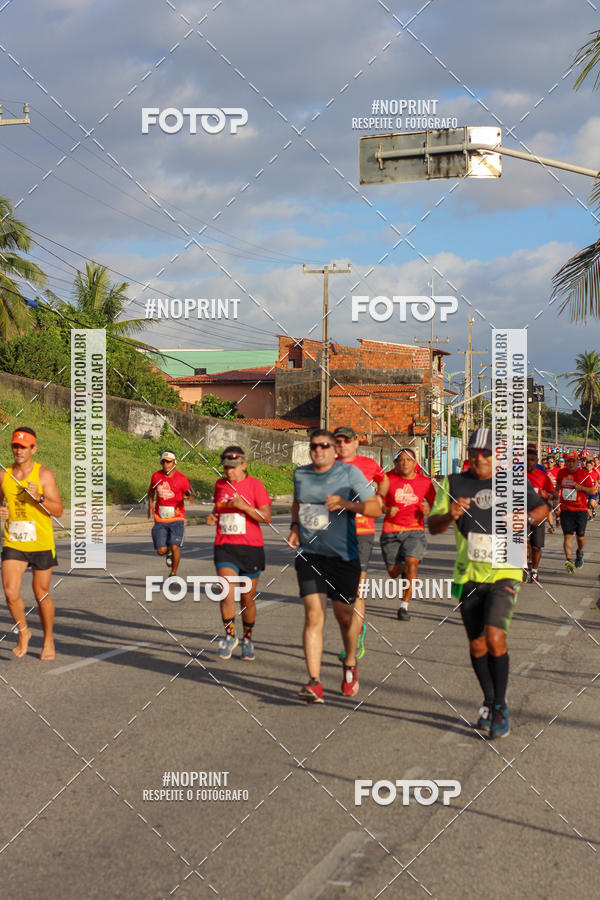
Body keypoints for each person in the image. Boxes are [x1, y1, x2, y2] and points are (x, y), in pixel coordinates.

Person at [428, 428, 548, 739]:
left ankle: (500, 707)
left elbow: (543, 508)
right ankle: (490, 699)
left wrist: (528, 520)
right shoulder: (453, 483)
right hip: (467, 576)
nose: (478, 458)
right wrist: (450, 514)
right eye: (473, 452)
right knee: (477, 644)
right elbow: (433, 524)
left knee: (495, 636)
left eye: (486, 453)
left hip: (505, 572)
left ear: (498, 456)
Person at [288, 430, 381, 702]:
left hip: (343, 556)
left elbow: (375, 509)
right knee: (313, 615)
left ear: (333, 450)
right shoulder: (301, 475)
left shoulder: (349, 474)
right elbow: (297, 502)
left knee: (344, 618)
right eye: (314, 446)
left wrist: (345, 503)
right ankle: (314, 682)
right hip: (310, 555)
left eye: (325, 445)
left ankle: (350, 662)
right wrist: (295, 527)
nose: (319, 450)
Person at [0, 428, 63, 660]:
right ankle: (24, 631)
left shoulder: (44, 475)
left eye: (24, 447)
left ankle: (48, 639)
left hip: (41, 543)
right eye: (15, 446)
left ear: (33, 449)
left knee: (41, 593)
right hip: (14, 541)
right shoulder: (4, 474)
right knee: (9, 591)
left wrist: (40, 498)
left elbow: (58, 511)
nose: (18, 450)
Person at [207, 446, 272, 661]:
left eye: (233, 468)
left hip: (251, 548)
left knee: (247, 598)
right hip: (225, 546)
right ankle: (229, 636)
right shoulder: (220, 485)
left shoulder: (255, 485)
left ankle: (248, 638)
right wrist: (214, 516)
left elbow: (266, 517)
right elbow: (218, 508)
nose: (229, 472)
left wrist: (244, 507)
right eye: (226, 468)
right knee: (226, 592)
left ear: (244, 464)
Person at [333, 426, 387, 660]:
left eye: (347, 441)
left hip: (362, 532)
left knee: (357, 590)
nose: (342, 445)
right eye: (338, 441)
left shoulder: (368, 464)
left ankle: (354, 643)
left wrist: (380, 497)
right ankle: (357, 630)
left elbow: (383, 480)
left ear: (356, 442)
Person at [380, 448, 435, 621]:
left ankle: (404, 606)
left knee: (412, 563)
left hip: (414, 530)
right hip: (391, 530)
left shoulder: (425, 482)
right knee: (393, 572)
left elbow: (437, 505)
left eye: (409, 459)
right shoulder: (387, 479)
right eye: (401, 460)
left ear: (415, 463)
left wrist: (429, 509)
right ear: (395, 463)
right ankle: (402, 567)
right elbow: (376, 503)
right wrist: (387, 509)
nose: (405, 463)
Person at [148, 451, 193, 575]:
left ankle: (173, 573)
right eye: (163, 461)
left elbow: (189, 492)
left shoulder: (182, 479)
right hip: (160, 519)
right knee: (161, 550)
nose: (165, 464)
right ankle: (167, 551)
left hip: (176, 519)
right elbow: (151, 491)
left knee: (175, 547)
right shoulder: (156, 476)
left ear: (174, 463)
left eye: (168, 461)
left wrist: (190, 496)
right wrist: (150, 504)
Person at [556, 451, 595, 573]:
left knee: (581, 536)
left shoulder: (583, 474)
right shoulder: (561, 473)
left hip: (581, 510)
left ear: (577, 462)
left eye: (573, 461)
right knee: (567, 535)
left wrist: (581, 488)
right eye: (568, 461)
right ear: (565, 462)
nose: (571, 463)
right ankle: (568, 560)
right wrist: (555, 502)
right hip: (566, 510)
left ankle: (580, 552)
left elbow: (593, 490)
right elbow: (557, 488)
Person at [525, 447, 555, 583]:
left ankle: (534, 570)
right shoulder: (517, 475)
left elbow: (554, 496)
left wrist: (547, 494)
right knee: (522, 544)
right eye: (527, 460)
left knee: (536, 546)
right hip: (522, 515)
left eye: (532, 460)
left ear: (536, 461)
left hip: (538, 516)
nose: (529, 462)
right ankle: (523, 568)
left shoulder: (542, 477)